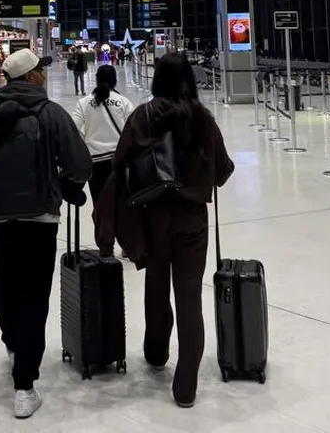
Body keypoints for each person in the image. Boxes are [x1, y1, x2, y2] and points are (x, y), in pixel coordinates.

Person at [95, 52, 234, 409]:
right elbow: (222, 171)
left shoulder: (143, 115)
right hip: (191, 221)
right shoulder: (202, 120)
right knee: (189, 299)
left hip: (152, 218)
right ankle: (185, 386)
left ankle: (156, 352)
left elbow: (120, 161)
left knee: (156, 288)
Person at [0, 48, 92, 419]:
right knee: (35, 295)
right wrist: (65, 185)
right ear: (31, 78)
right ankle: (24, 386)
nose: (45, 76)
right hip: (39, 220)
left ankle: (14, 345)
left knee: (3, 287)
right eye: (41, 71)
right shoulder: (51, 115)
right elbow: (80, 164)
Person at [72, 64, 133, 207]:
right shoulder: (124, 102)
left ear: (97, 80)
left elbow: (73, 129)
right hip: (119, 162)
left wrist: (85, 145)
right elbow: (132, 131)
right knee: (121, 207)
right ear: (115, 80)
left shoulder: (84, 103)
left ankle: (100, 228)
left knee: (100, 206)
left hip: (95, 163)